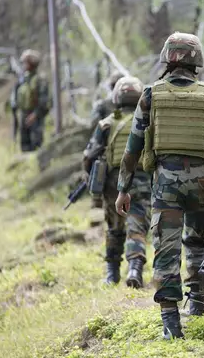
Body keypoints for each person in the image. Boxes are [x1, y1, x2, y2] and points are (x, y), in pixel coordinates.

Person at [114, 32, 204, 340]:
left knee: (166, 250)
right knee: (197, 243)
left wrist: (123, 188)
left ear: (167, 59)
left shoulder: (150, 95)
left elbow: (133, 147)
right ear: (197, 61)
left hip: (167, 185)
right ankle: (197, 302)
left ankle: (171, 325)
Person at [83, 76, 151, 287]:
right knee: (137, 226)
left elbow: (89, 155)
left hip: (113, 182)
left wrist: (90, 177)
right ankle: (134, 270)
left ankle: (112, 274)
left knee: (114, 228)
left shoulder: (106, 124)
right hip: (142, 180)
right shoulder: (148, 121)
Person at [88, 71, 125, 228]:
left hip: (109, 160)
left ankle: (96, 202)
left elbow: (94, 128)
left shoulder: (103, 106)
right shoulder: (140, 107)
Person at [12, 49, 50, 152]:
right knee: (24, 145)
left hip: (35, 116)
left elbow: (44, 101)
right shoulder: (23, 79)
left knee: (36, 145)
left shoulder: (39, 80)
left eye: (26, 62)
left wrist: (35, 115)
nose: (24, 65)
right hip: (24, 114)